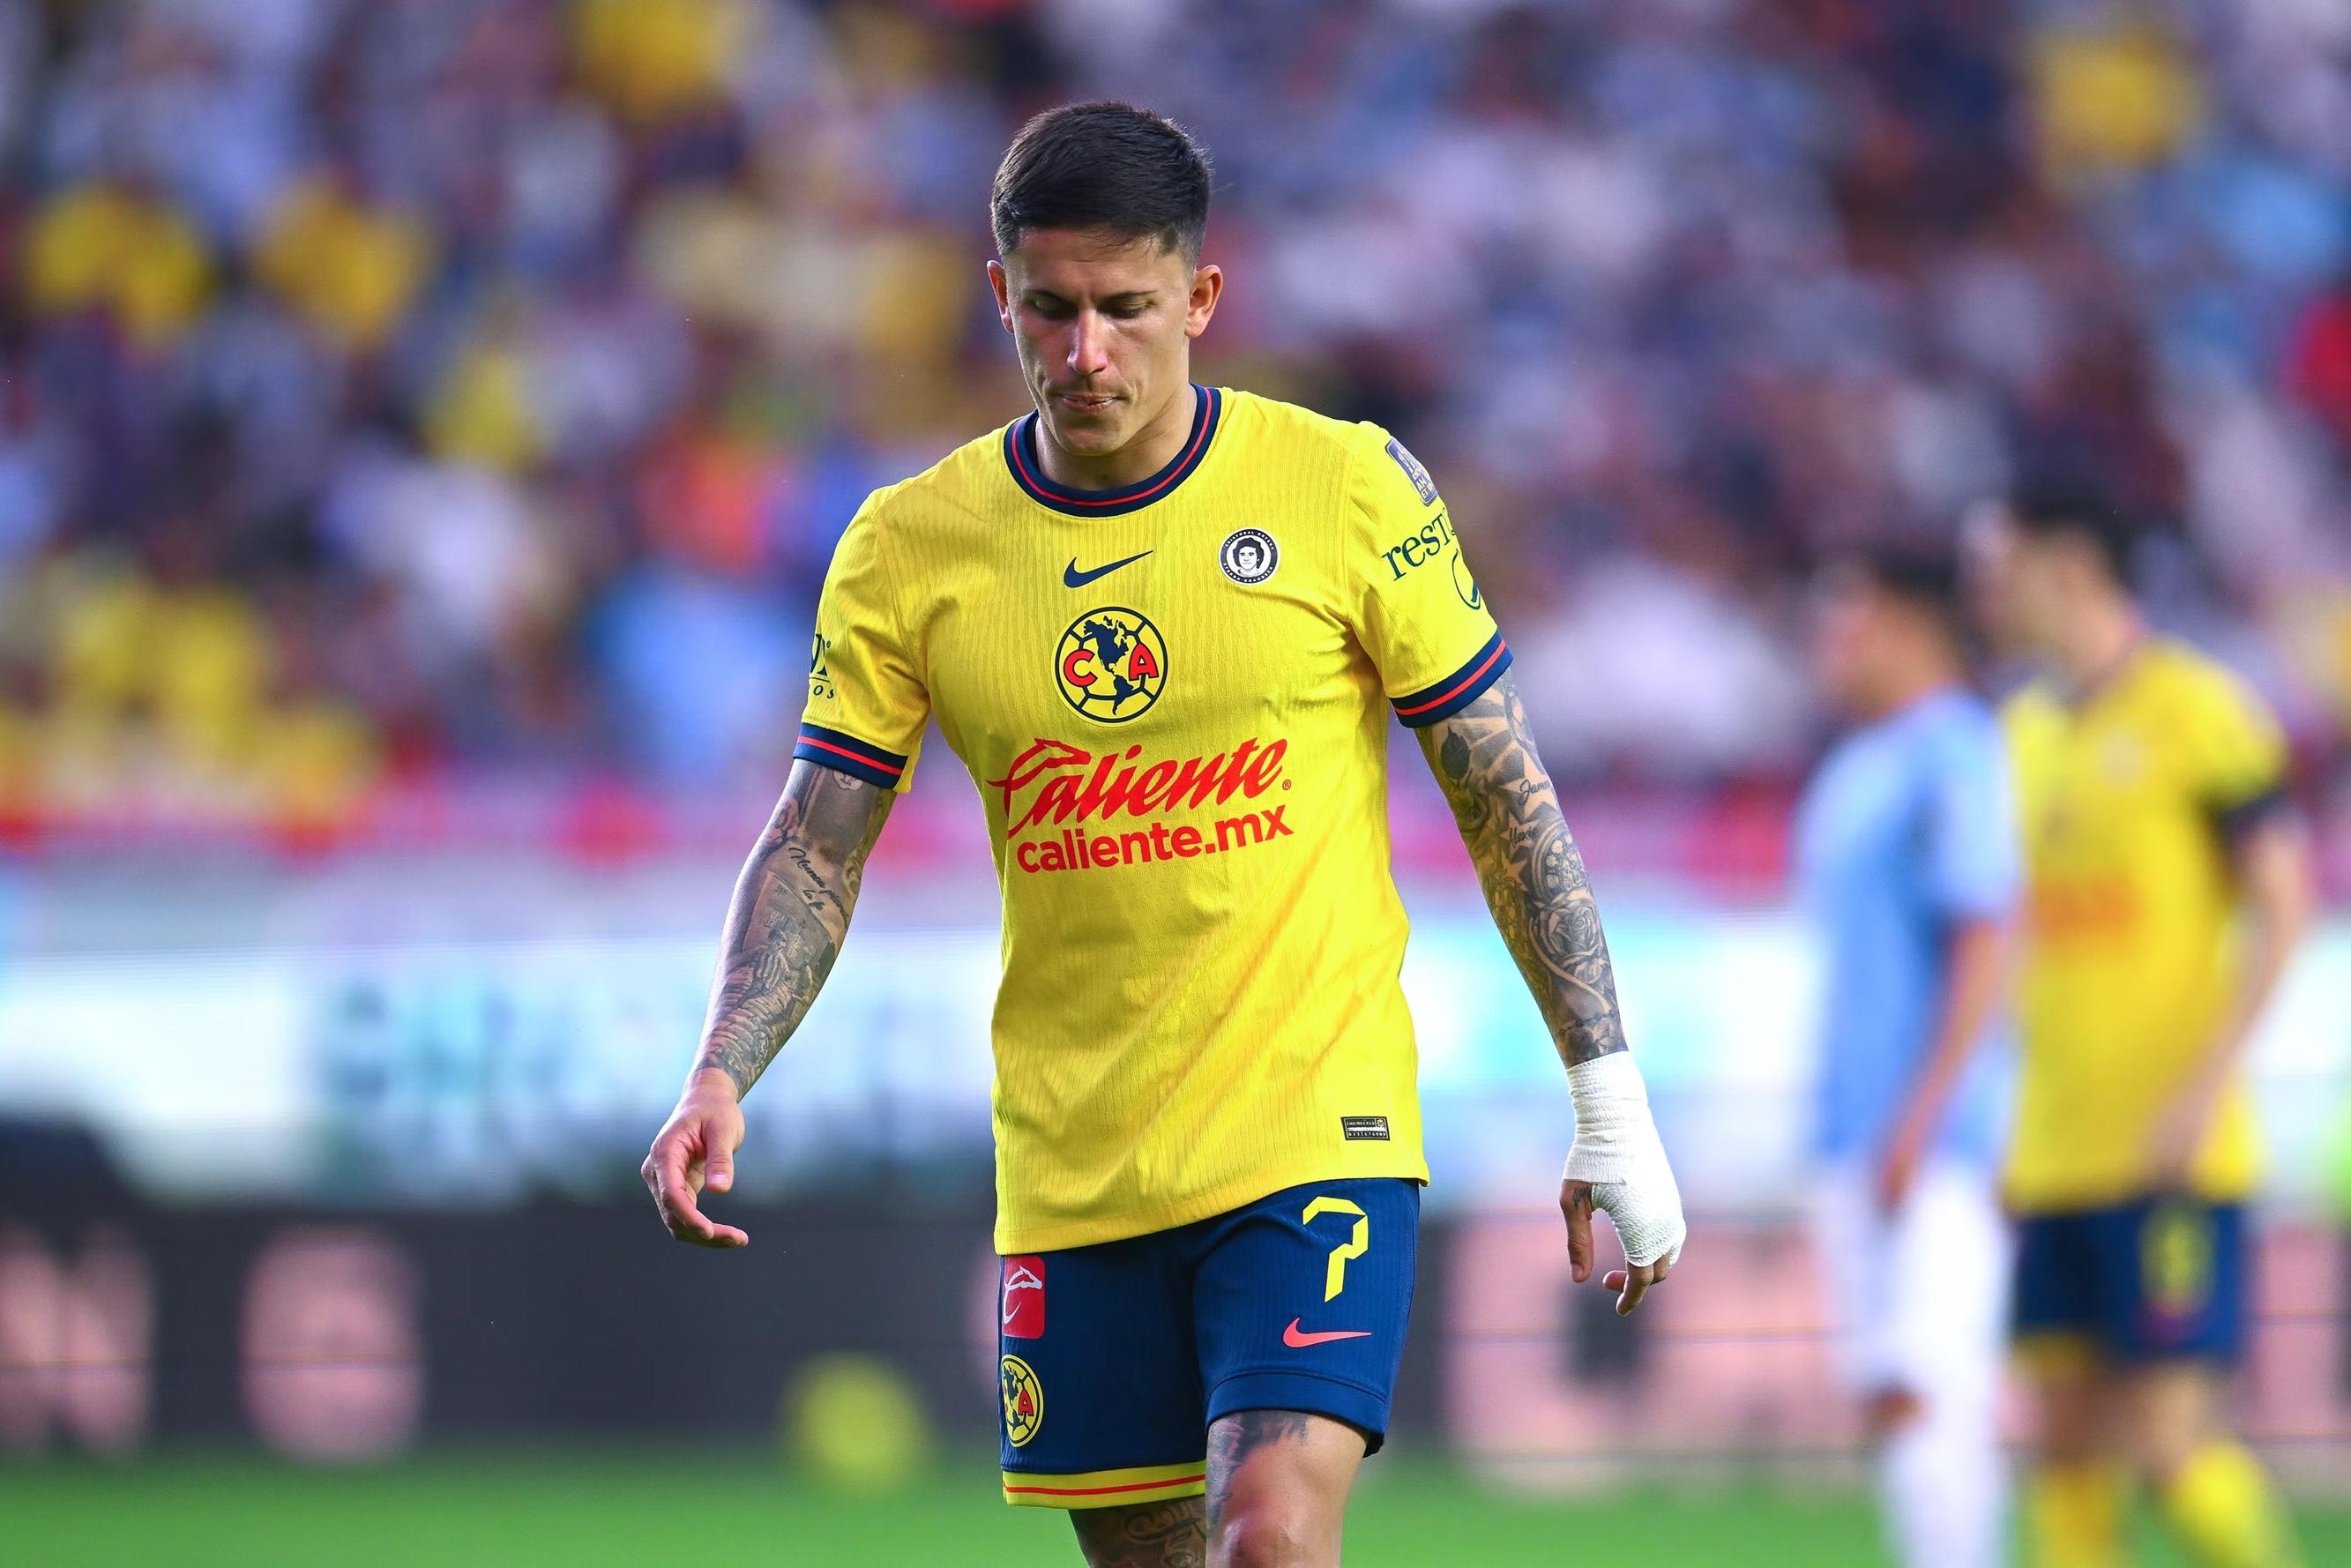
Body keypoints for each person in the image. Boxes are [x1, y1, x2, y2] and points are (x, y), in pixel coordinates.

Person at [640, 101, 1685, 1568]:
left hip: (1311, 1129)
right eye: (1050, 309)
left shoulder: (1344, 486)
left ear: (1199, 296)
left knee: (1267, 1536)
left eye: (1126, 309)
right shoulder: (908, 546)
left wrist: (1608, 1099)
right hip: (1076, 1164)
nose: (1085, 352)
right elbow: (818, 839)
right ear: (997, 292)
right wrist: (720, 1065)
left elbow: (1503, 790)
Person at [1971, 481, 2314, 1568]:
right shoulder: (2020, 731)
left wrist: (2204, 1083)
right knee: (2063, 1450)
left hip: (2171, 1153)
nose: (1989, 588)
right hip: (2050, 1152)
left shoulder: (2196, 709)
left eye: (2004, 564)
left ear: (2068, 564)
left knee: (2169, 1444)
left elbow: (2284, 902)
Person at [1795, 544, 2019, 1568]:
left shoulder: (1955, 752)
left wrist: (1922, 1117)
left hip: (1930, 1139)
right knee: (1893, 1401)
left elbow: (1983, 938)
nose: (1826, 640)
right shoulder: (1859, 762)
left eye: (1846, 616)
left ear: (1907, 623)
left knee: (1934, 1392)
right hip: (1856, 1129)